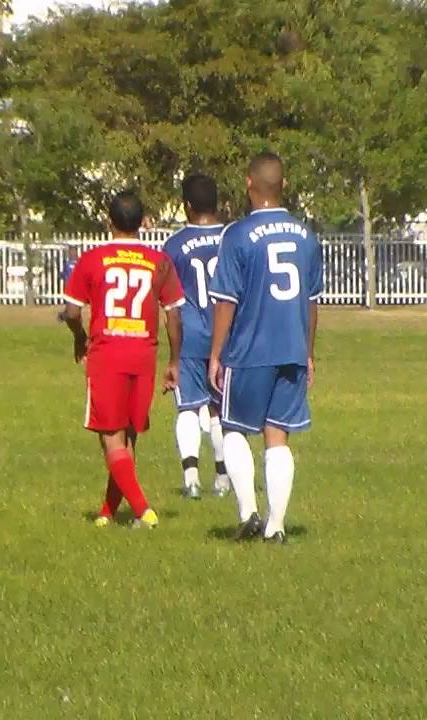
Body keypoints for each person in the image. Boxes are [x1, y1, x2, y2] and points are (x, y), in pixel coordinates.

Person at [208, 152, 323, 544]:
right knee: (278, 437)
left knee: (234, 429)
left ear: (248, 184)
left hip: (249, 350)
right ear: (284, 185)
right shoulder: (307, 235)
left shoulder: (237, 235)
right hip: (291, 347)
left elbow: (226, 300)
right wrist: (308, 352)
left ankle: (248, 512)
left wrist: (216, 353)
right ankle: (277, 526)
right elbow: (311, 301)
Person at [63, 190, 186, 529]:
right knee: (128, 436)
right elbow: (174, 316)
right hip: (144, 354)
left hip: (108, 353)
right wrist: (174, 362)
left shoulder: (92, 259)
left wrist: (79, 336)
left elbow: (72, 311)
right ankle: (107, 513)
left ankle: (144, 511)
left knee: (110, 437)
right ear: (143, 222)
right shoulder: (159, 261)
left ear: (109, 220)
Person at [162, 174, 231, 500]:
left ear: (186, 205)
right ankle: (222, 478)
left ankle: (191, 478)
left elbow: (170, 304)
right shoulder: (233, 238)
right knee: (220, 411)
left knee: (188, 409)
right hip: (227, 336)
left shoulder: (174, 246)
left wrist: (172, 357)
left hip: (190, 335)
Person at [56, 245, 80, 322]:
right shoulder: (67, 263)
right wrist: (61, 275)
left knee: (75, 303)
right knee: (70, 303)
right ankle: (65, 315)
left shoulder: (79, 262)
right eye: (70, 252)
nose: (72, 253)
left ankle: (64, 315)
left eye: (73, 251)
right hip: (68, 286)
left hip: (76, 286)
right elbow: (65, 274)